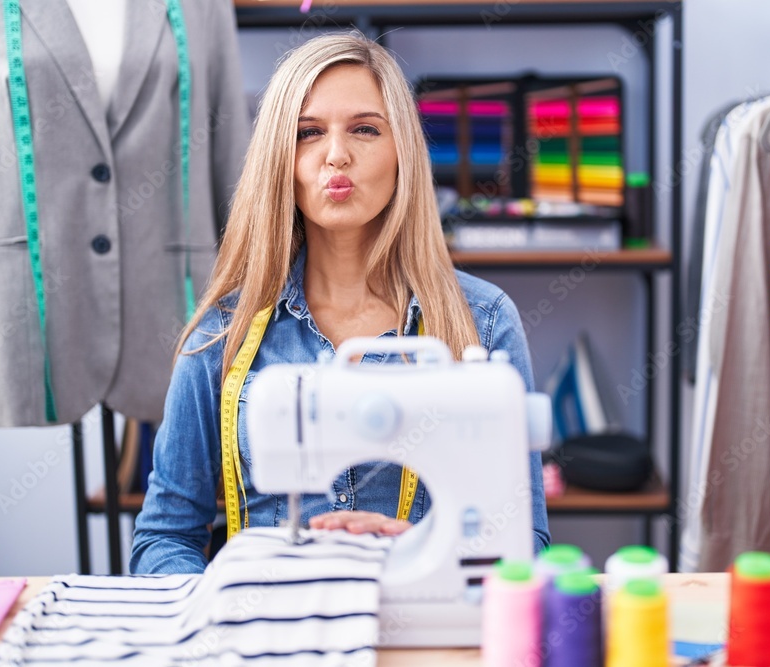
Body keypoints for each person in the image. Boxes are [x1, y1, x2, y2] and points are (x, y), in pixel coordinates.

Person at [130, 33, 550, 575]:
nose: (336, 154)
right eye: (308, 133)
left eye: (365, 129)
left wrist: (424, 552)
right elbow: (164, 538)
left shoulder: (483, 321)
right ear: (279, 158)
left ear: (403, 151)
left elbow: (527, 542)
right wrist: (223, 615)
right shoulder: (220, 338)